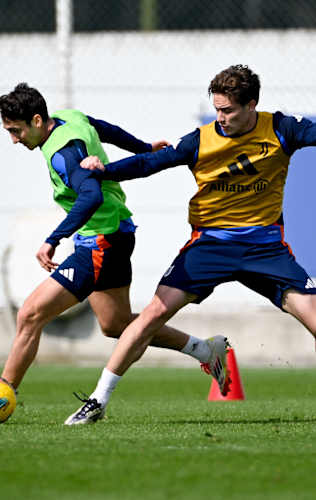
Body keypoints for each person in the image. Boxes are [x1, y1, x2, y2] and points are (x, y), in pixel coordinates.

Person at [66, 64, 316, 425]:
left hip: (266, 248)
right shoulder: (201, 140)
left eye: (228, 110)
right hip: (209, 245)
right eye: (216, 109)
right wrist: (105, 170)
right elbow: (151, 163)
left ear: (252, 105)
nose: (221, 118)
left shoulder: (281, 128)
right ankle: (98, 400)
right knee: (152, 314)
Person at [0, 83, 230, 422]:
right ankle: (205, 350)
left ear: (36, 120)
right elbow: (101, 126)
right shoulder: (68, 118)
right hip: (115, 234)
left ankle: (4, 395)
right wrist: (142, 147)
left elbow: (90, 196)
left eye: (16, 131)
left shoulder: (64, 155)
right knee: (116, 324)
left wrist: (53, 239)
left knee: (30, 314)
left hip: (101, 242)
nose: (14, 140)